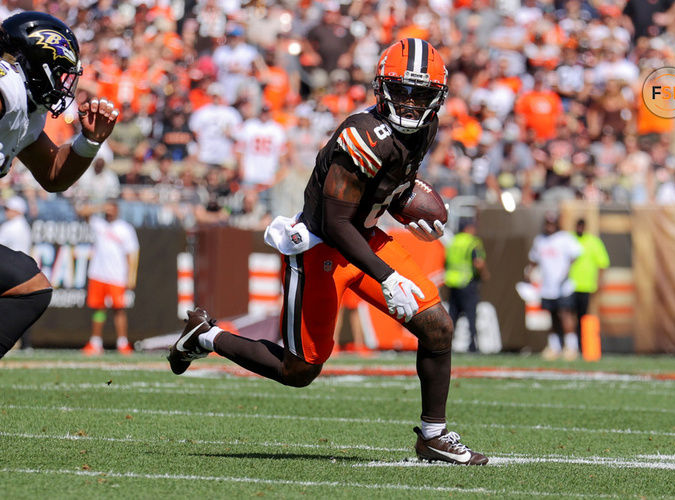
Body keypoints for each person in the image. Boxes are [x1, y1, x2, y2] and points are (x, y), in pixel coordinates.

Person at [167, 38, 488, 465]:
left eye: (421, 94)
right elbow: (337, 223)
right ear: (381, 88)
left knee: (437, 327)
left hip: (367, 237)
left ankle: (433, 436)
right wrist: (387, 277)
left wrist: (406, 208)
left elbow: (386, 188)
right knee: (300, 371)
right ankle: (206, 335)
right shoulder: (361, 136)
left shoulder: (425, 130)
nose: (411, 104)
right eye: (403, 91)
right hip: (322, 248)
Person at [0, 11, 118, 358]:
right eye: (60, 71)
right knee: (29, 285)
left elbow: (53, 174)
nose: (64, 84)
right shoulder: (7, 86)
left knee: (30, 285)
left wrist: (89, 142)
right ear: (37, 62)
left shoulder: (25, 107)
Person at [78, 200, 139, 355]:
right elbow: (82, 212)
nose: (109, 211)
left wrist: (131, 275)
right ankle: (96, 342)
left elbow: (133, 252)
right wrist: (99, 206)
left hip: (117, 275)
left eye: (112, 208)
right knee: (99, 309)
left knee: (119, 309)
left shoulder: (125, 228)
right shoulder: (99, 224)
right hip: (98, 273)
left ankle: (122, 342)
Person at [526, 212, 582, 361]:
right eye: (547, 223)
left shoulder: (564, 238)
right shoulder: (540, 240)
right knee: (551, 317)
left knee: (565, 314)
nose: (549, 227)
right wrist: (529, 271)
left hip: (563, 286)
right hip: (548, 285)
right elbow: (534, 258)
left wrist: (566, 271)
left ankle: (571, 347)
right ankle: (554, 346)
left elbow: (576, 254)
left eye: (552, 223)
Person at [444, 218, 488, 353]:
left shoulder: (453, 242)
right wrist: (485, 274)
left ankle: (445, 345)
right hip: (467, 282)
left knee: (452, 316)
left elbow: (445, 262)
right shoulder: (472, 242)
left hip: (452, 283)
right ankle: (473, 346)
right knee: (471, 316)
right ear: (469, 228)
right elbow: (478, 262)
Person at [568, 218, 610, 357]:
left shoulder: (593, 242)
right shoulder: (569, 240)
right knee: (568, 317)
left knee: (583, 317)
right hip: (568, 286)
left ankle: (583, 347)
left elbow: (602, 263)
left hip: (586, 286)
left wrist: (599, 282)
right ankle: (570, 346)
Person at [0, 196, 32, 349]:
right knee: (20, 310)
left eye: (8, 209)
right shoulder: (25, 225)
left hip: (8, 272)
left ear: (17, 211)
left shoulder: (11, 226)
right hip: (23, 272)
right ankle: (25, 345)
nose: (6, 212)